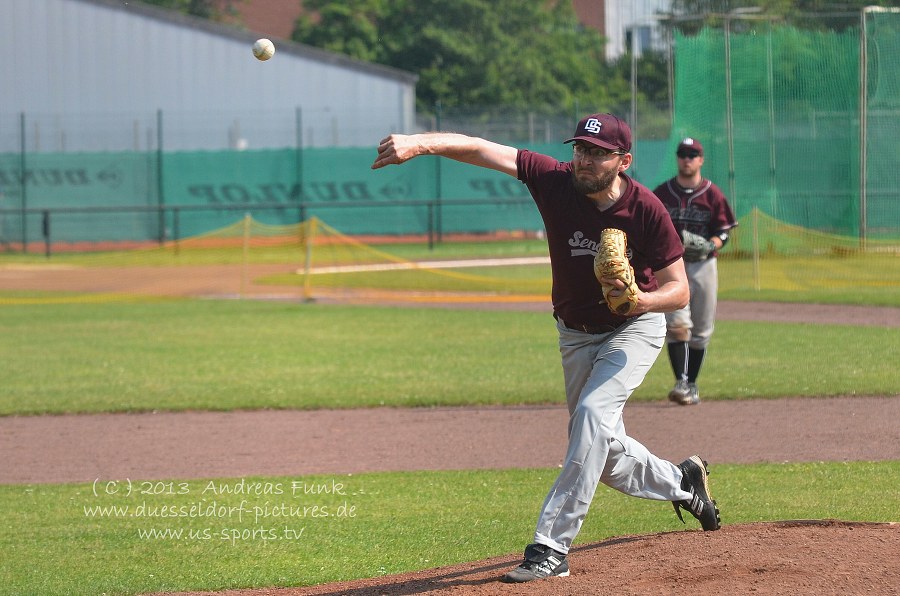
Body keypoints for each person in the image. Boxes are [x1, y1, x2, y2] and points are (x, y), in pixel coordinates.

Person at [372, 113, 721, 584]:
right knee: (605, 454)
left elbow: (680, 290)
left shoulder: (645, 208)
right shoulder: (553, 180)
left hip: (634, 327)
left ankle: (551, 547)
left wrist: (641, 299)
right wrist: (419, 142)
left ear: (623, 161)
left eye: (598, 153)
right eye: (581, 148)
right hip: (574, 333)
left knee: (594, 417)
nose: (585, 159)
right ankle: (681, 483)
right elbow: (480, 147)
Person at [653, 138, 738, 406]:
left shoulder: (712, 194)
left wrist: (711, 244)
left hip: (703, 264)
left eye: (693, 154)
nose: (687, 159)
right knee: (677, 325)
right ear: (677, 159)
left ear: (701, 160)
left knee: (701, 331)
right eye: (682, 154)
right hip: (671, 264)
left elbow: (724, 230)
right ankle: (681, 382)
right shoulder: (662, 193)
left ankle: (691, 384)